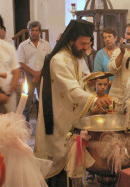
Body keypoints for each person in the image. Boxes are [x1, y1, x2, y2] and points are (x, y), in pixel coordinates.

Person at [34, 20, 111, 186]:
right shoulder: (59, 60)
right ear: (71, 40)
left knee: (70, 165)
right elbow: (72, 90)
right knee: (59, 166)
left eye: (88, 44)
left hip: (68, 116)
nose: (86, 47)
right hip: (58, 120)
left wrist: (94, 97)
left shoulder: (73, 57)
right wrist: (94, 100)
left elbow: (81, 84)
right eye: (83, 44)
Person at [17, 21, 51, 121]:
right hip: (28, 76)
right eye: (32, 30)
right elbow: (20, 63)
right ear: (29, 31)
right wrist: (34, 74)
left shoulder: (46, 45)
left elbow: (49, 61)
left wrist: (39, 74)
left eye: (36, 30)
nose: (34, 33)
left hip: (43, 75)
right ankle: (26, 127)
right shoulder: (23, 45)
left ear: (39, 31)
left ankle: (41, 126)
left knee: (42, 103)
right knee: (26, 103)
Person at [108, 22, 130, 107]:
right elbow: (112, 70)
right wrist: (122, 52)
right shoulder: (117, 51)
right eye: (128, 34)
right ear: (124, 35)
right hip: (117, 96)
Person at [94, 27, 118, 93]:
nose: (107, 39)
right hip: (104, 89)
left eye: (109, 36)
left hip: (119, 89)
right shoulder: (100, 54)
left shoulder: (121, 52)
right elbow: (97, 74)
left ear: (115, 38)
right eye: (105, 37)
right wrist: (109, 83)